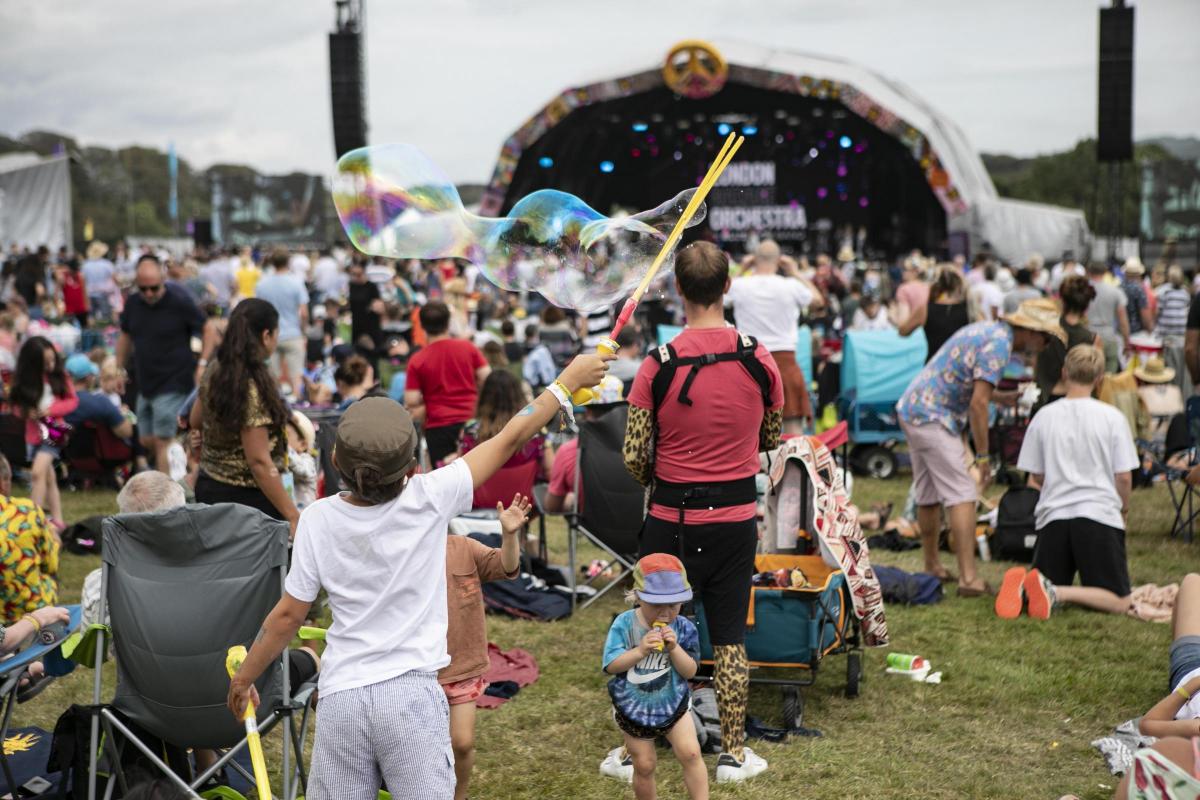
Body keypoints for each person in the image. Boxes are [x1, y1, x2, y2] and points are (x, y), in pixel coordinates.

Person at [226, 354, 610, 800]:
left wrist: (245, 677)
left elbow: (287, 616)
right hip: (411, 698)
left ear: (334, 457)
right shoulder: (429, 496)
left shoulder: (316, 519)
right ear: (412, 468)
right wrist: (564, 384)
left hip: (341, 698)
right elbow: (511, 437)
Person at [623, 241, 782, 783]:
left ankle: (638, 744)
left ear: (678, 291)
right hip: (735, 517)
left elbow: (633, 454)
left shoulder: (657, 364)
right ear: (727, 286)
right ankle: (734, 754)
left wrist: (661, 480)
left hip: (671, 518)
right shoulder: (758, 356)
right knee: (731, 635)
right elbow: (771, 437)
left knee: (654, 627)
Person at [896, 299, 1062, 597]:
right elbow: (977, 404)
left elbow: (971, 387)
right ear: (1031, 331)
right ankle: (968, 579)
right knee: (962, 494)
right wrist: (983, 458)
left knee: (928, 493)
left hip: (914, 408)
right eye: (1046, 337)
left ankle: (932, 565)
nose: (1045, 344)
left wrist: (1002, 398)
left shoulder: (991, 331)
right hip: (934, 415)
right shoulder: (1000, 346)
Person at [995, 345, 1137, 620]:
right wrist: (1124, 510)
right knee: (1119, 600)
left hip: (1053, 518)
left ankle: (1028, 588)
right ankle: (1057, 592)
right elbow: (1124, 477)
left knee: (1045, 578)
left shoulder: (1044, 416)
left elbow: (1036, 476)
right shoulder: (1112, 418)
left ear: (1064, 373)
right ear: (1100, 379)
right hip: (1098, 515)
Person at [441, 494, 529, 800]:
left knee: (462, 742)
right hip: (418, 672)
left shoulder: (462, 547)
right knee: (417, 748)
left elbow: (506, 566)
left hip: (462, 667)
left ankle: (458, 795)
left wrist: (509, 534)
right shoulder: (402, 556)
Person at [190, 299, 299, 532]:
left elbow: (196, 420)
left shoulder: (216, 368)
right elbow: (259, 462)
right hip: (248, 502)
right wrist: (292, 515)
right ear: (266, 335)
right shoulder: (252, 385)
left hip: (209, 487)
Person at [603, 554, 706, 799]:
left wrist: (675, 648)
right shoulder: (624, 624)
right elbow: (611, 666)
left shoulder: (684, 628)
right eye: (657, 604)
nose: (666, 612)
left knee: (691, 753)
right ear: (638, 597)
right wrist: (639, 651)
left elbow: (690, 671)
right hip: (633, 707)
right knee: (645, 764)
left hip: (674, 702)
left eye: (674, 605)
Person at [117, 254, 207, 473]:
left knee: (162, 441)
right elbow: (126, 336)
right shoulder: (133, 303)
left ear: (163, 278)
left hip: (175, 380)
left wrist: (202, 363)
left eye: (154, 288)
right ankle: (180, 472)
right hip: (145, 383)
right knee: (146, 439)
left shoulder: (180, 299)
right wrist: (118, 369)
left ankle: (165, 499)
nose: (148, 293)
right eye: (143, 288)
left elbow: (208, 328)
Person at [725, 239, 816, 433]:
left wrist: (741, 269)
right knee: (793, 433)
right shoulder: (791, 285)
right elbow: (818, 300)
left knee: (751, 431)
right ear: (780, 260)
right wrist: (795, 272)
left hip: (750, 362)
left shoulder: (740, 285)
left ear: (754, 260)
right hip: (785, 363)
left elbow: (718, 298)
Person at [405, 301, 490, 466]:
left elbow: (411, 400)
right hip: (472, 421)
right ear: (448, 322)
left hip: (438, 426)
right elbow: (487, 377)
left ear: (422, 325)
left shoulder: (417, 360)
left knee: (444, 481)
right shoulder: (468, 348)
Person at [11, 337, 77, 528]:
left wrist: (52, 411)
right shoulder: (24, 380)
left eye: (52, 360)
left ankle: (33, 522)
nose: (50, 365)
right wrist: (25, 412)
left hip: (54, 433)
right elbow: (15, 406)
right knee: (48, 477)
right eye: (45, 362)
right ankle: (58, 520)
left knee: (37, 473)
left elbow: (72, 401)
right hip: (33, 435)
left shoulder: (60, 376)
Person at [459, 370, 553, 487]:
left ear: (485, 397)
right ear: (519, 395)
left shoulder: (470, 430)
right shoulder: (536, 431)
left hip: (480, 502)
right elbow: (550, 471)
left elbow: (461, 473)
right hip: (523, 501)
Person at [544, 376, 624, 513]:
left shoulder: (569, 452)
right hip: (637, 527)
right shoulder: (638, 449)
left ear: (587, 412)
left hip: (590, 528)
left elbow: (552, 506)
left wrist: (572, 498)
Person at [0, 454, 60, 624]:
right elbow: (51, 564)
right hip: (30, 608)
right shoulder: (27, 511)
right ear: (3, 483)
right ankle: (52, 645)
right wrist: (55, 542)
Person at [1034, 277, 1103, 406]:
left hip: (1044, 398)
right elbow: (1099, 377)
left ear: (1062, 300)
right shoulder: (1093, 339)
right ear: (1086, 305)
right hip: (1078, 400)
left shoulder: (1045, 331)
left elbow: (1034, 363)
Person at [255, 249, 310, 398]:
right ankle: (299, 409)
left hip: (270, 335)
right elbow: (304, 312)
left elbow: (258, 311)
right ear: (288, 262)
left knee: (271, 378)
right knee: (296, 376)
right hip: (293, 333)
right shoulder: (296, 282)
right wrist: (304, 330)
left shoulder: (262, 284)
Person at [898, 265, 974, 362]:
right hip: (963, 366)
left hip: (935, 366)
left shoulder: (925, 309)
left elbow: (903, 331)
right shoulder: (969, 308)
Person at [63, 353, 134, 440]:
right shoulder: (101, 402)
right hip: (102, 451)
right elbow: (127, 432)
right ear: (89, 377)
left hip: (67, 451)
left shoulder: (56, 402)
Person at [1086, 261, 1130, 373]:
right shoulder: (1115, 291)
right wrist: (1126, 342)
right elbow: (1123, 320)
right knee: (1109, 376)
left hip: (1088, 336)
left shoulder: (1082, 291)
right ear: (1105, 273)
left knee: (1088, 374)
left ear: (1088, 272)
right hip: (1109, 335)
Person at [347, 261, 384, 354]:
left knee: (372, 351)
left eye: (358, 274)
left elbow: (380, 307)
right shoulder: (352, 286)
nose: (356, 277)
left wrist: (372, 307)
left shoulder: (371, 287)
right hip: (357, 324)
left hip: (370, 324)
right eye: (353, 274)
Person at [81, 240, 116, 321]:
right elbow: (115, 279)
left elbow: (83, 281)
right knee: (105, 318)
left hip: (89, 294)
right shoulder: (107, 264)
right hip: (103, 294)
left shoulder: (85, 265)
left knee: (91, 318)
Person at [1122, 258, 1154, 335]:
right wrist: (1149, 330)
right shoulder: (1139, 290)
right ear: (1139, 274)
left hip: (1121, 332)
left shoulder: (1119, 287)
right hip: (1136, 332)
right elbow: (1144, 313)